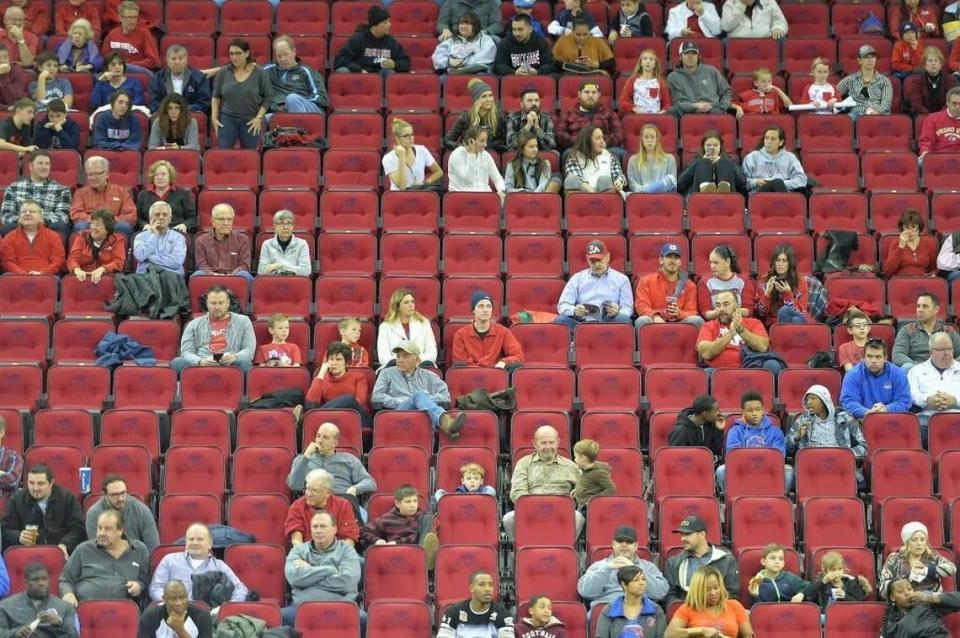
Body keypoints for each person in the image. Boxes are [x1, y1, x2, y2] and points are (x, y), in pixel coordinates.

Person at [281, 511, 361, 627]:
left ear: (334, 529)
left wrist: (309, 573)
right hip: (302, 607)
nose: (318, 530)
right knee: (281, 616)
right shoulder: (298, 550)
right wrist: (331, 570)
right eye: (315, 526)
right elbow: (294, 579)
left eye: (323, 526)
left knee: (364, 619)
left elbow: (348, 582)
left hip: (342, 606)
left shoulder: (347, 550)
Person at [372, 341, 466, 438]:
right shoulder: (386, 373)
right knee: (418, 397)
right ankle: (446, 423)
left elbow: (445, 397)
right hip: (398, 413)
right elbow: (376, 396)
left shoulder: (430, 376)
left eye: (405, 356)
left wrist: (421, 401)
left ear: (417, 360)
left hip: (424, 416)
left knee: (421, 401)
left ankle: (430, 448)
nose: (400, 360)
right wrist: (409, 400)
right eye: (398, 357)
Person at [503, 425, 583, 539]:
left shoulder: (571, 466)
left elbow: (582, 491)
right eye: (543, 443)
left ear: (558, 442)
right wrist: (535, 507)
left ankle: (565, 550)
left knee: (578, 517)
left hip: (562, 513)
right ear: (535, 443)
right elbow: (517, 492)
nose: (548, 446)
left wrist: (578, 493)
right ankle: (521, 551)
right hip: (531, 511)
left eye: (551, 442)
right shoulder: (524, 463)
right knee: (509, 519)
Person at [59, 510, 150, 606]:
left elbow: (144, 581)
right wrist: (68, 594)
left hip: (123, 611)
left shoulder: (139, 550)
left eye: (107, 529)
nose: (101, 533)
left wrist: (138, 586)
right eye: (99, 528)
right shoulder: (83, 550)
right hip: (86, 610)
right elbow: (66, 580)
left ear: (120, 531)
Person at [286, 422, 377, 517]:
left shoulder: (349, 459)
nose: (320, 441)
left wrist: (354, 489)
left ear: (335, 443)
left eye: (325, 437)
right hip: (314, 505)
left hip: (342, 502)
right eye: (318, 436)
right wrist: (306, 456)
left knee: (360, 516)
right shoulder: (302, 459)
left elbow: (370, 483)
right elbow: (294, 485)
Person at [787, 384, 868, 485]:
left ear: (824, 400)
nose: (809, 402)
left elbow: (864, 447)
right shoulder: (804, 419)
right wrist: (796, 437)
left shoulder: (845, 418)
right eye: (807, 399)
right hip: (812, 468)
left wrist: (844, 455)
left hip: (840, 467)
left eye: (813, 398)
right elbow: (787, 447)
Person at [148, 523, 248, 605]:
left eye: (200, 539)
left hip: (207, 617)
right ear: (186, 543)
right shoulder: (169, 560)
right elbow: (155, 588)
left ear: (210, 544)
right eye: (191, 539)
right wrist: (170, 601)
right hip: (173, 612)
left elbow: (240, 589)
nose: (195, 543)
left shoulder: (219, 566)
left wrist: (225, 607)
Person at [715, 390, 793, 492]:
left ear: (763, 410)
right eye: (750, 410)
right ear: (743, 412)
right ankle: (731, 499)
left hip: (768, 469)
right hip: (744, 469)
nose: (754, 413)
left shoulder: (775, 431)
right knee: (721, 470)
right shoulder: (735, 431)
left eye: (757, 409)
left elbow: (779, 455)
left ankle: (779, 499)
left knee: (788, 471)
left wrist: (762, 464)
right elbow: (733, 454)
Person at [579, 525, 669, 608]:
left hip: (640, 611)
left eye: (629, 542)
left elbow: (661, 593)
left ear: (636, 546)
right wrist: (606, 569)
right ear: (614, 544)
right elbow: (585, 592)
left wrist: (635, 569)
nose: (624, 545)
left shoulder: (648, 567)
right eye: (620, 541)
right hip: (607, 610)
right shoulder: (600, 566)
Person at [171, 285, 256, 374]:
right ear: (207, 304)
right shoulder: (193, 324)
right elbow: (186, 352)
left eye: (221, 303)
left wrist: (235, 356)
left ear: (228, 303)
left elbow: (249, 350)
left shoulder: (244, 321)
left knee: (245, 363)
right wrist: (200, 361)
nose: (217, 307)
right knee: (177, 363)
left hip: (231, 362)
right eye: (213, 303)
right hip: (203, 361)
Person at [555, 239, 634, 331]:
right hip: (582, 322)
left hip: (610, 321)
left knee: (623, 319)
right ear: (587, 259)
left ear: (607, 257)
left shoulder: (622, 279)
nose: (597, 264)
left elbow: (628, 308)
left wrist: (618, 311)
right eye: (593, 261)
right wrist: (574, 310)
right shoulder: (577, 278)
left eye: (599, 260)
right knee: (560, 320)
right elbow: (562, 305)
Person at [697, 290, 780, 373]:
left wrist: (741, 330)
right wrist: (730, 334)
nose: (721, 309)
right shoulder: (708, 326)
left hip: (751, 368)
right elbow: (705, 353)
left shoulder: (754, 323)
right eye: (718, 305)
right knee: (706, 373)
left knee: (772, 365)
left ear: (736, 307)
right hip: (718, 371)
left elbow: (762, 347)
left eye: (726, 304)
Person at [211, 38, 272, 150]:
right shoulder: (223, 72)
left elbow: (268, 96)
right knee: (224, 154)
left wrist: (259, 117)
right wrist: (214, 117)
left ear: (247, 53)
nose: (234, 57)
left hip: (251, 119)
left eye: (238, 53)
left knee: (250, 155)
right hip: (227, 119)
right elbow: (216, 97)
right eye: (231, 54)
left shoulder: (260, 72)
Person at [360, 484, 438, 569]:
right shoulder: (387, 519)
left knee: (428, 521)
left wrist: (397, 542)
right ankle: (424, 558)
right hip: (396, 555)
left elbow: (422, 537)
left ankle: (424, 558)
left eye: (415, 501)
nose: (413, 505)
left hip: (416, 549)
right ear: (397, 503)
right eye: (408, 502)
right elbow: (364, 531)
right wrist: (377, 540)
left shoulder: (423, 517)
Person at [664, 521, 739, 607]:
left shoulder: (726, 559)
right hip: (687, 612)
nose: (682, 539)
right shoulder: (673, 562)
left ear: (702, 534)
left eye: (687, 534)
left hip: (717, 613)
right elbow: (670, 596)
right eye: (682, 535)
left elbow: (733, 594)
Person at [665, 566, 752, 637]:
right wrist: (702, 631)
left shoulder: (734, 605)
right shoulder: (687, 608)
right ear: (698, 590)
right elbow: (669, 634)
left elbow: (748, 636)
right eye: (707, 589)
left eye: (716, 587)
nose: (713, 593)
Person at [0, 149, 70, 236]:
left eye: (47, 164)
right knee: (7, 228)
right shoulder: (13, 187)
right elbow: (6, 215)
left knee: (60, 227)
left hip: (47, 228)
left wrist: (39, 221)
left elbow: (63, 217)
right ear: (30, 166)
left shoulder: (62, 189)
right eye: (40, 163)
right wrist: (24, 221)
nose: (44, 167)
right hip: (20, 228)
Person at [284, 469, 360, 548]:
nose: (309, 494)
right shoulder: (297, 506)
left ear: (328, 493)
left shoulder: (343, 505)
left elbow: (349, 538)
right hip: (307, 551)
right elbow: (296, 541)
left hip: (338, 552)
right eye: (307, 489)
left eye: (314, 490)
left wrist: (337, 556)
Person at [880, 521, 957, 598]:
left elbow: (952, 568)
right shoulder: (894, 558)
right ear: (906, 542)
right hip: (906, 601)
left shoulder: (933, 556)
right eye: (914, 540)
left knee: (955, 599)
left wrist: (926, 571)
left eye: (922, 539)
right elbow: (882, 590)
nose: (919, 543)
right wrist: (908, 577)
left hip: (930, 601)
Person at [909, 332, 960, 446]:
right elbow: (911, 394)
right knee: (913, 426)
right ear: (931, 351)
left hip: (957, 417)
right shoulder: (916, 371)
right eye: (942, 349)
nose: (947, 353)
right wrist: (927, 400)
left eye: (949, 349)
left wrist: (955, 401)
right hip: (927, 418)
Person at [840, 339, 913, 419]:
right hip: (861, 421)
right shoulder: (852, 374)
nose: (873, 361)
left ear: (885, 358)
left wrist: (886, 409)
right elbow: (848, 401)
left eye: (878, 357)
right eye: (869, 356)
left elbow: (904, 401)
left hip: (892, 419)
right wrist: (866, 412)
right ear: (863, 357)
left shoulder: (898, 374)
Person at [451, 291, 524, 369]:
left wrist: (503, 362)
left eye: (489, 306)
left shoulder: (503, 332)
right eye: (481, 306)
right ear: (473, 310)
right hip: (471, 375)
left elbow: (518, 355)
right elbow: (459, 363)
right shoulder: (461, 334)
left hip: (496, 373)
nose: (485, 310)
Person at [84, 474, 158, 552]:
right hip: (106, 560)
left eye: (123, 493)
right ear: (104, 495)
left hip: (137, 560)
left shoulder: (142, 510)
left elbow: (152, 547)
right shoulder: (94, 514)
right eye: (114, 495)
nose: (120, 498)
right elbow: (97, 549)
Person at [634, 242, 701, 327]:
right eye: (669, 257)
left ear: (680, 262)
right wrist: (655, 316)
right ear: (661, 260)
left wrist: (680, 313)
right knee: (642, 320)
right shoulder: (645, 281)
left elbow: (692, 311)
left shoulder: (689, 285)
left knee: (697, 320)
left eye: (676, 258)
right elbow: (642, 306)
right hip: (654, 320)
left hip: (680, 321)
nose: (672, 261)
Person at [305, 342, 371, 425]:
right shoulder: (322, 379)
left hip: (357, 418)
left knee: (348, 399)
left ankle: (312, 417)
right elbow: (311, 403)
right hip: (331, 419)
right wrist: (321, 374)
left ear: (347, 363)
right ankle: (315, 417)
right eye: (331, 359)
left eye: (338, 359)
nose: (334, 363)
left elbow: (359, 401)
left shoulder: (359, 377)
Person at [0, 564, 73, 637]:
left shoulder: (65, 607)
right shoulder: (5, 606)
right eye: (35, 579)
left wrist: (59, 623)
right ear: (26, 582)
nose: (41, 583)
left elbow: (73, 635)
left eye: (44, 579)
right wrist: (15, 633)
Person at [333, 6, 410, 75]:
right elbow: (340, 59)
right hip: (359, 74)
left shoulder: (391, 42)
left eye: (389, 21)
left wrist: (394, 64)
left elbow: (405, 62)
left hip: (380, 76)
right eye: (385, 22)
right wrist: (359, 70)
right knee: (342, 71)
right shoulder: (358, 39)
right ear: (374, 25)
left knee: (390, 72)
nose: (389, 25)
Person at [70, 155, 137, 235]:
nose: (93, 178)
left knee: (124, 226)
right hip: (90, 223)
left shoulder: (122, 192)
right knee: (81, 226)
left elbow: (130, 215)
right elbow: (76, 214)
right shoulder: (80, 193)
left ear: (107, 173)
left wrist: (108, 221)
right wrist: (96, 221)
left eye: (97, 173)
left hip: (114, 224)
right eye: (90, 174)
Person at [892, 293, 960, 370]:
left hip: (945, 369)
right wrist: (920, 367)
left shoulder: (948, 331)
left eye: (925, 306)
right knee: (907, 367)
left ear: (936, 309)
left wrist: (950, 365)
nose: (920, 310)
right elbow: (898, 355)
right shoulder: (907, 330)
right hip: (918, 370)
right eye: (918, 306)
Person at [264, 35, 328, 115]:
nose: (283, 59)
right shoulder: (268, 71)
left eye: (286, 54)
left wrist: (293, 103)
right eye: (279, 56)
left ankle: (299, 126)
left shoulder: (306, 71)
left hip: (309, 109)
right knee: (266, 118)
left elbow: (321, 97)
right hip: (279, 110)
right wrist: (274, 107)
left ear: (293, 52)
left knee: (292, 99)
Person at [595, 566, 666, 638]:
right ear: (624, 585)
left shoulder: (656, 610)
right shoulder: (609, 611)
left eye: (643, 579)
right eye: (636, 580)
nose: (642, 583)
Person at [438, 571, 513, 638]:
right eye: (482, 584)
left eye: (490, 585)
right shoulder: (453, 612)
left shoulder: (503, 615)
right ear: (471, 588)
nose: (487, 589)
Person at [557, 79, 624, 155]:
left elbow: (618, 135)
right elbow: (561, 135)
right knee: (568, 153)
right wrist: (584, 143)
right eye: (587, 92)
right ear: (579, 94)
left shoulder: (609, 113)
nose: (590, 95)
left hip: (605, 147)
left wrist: (599, 143)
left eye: (594, 92)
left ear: (599, 95)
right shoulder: (568, 114)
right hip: (578, 148)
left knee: (618, 152)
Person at [0, 199, 66, 275]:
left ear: (41, 217)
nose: (27, 214)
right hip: (17, 277)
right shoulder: (9, 237)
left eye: (32, 212)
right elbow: (7, 262)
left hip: (47, 277)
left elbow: (58, 260)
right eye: (24, 212)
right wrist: (23, 274)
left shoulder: (53, 236)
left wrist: (42, 273)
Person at [377, 287, 438, 368]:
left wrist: (414, 361)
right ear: (397, 306)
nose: (411, 305)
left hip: (421, 366)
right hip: (396, 368)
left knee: (428, 365)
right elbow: (383, 356)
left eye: (412, 302)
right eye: (406, 302)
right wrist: (403, 362)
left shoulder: (424, 323)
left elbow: (432, 352)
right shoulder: (385, 327)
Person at [192, 203, 253, 284]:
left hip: (235, 277)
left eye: (229, 219)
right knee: (197, 275)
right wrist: (212, 274)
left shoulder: (243, 239)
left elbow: (244, 265)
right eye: (221, 219)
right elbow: (201, 265)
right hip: (210, 276)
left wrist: (232, 275)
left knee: (245, 275)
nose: (226, 223)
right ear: (213, 221)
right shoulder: (201, 240)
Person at [667, 41, 731, 116]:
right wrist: (695, 105)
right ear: (680, 57)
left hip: (712, 110)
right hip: (687, 113)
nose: (690, 56)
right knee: (673, 111)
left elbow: (727, 92)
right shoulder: (673, 77)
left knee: (717, 113)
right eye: (686, 53)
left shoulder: (712, 71)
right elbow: (678, 102)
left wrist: (722, 108)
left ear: (698, 56)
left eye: (694, 53)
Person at [444, 78, 507, 152]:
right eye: (484, 96)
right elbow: (447, 140)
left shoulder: (499, 116)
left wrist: (493, 146)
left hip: (489, 156)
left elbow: (505, 141)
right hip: (468, 155)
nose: (488, 99)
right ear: (476, 100)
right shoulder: (466, 117)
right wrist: (465, 147)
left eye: (490, 95)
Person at [677, 130, 746, 195]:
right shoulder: (696, 160)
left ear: (720, 146)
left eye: (715, 145)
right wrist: (699, 162)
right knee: (703, 162)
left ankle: (724, 188)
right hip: (699, 195)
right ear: (703, 146)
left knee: (723, 162)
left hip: (727, 196)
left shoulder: (729, 160)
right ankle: (705, 188)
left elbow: (743, 182)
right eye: (708, 145)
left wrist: (723, 162)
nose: (712, 148)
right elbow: (680, 182)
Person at [382, 118, 443, 192]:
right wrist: (402, 158)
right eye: (406, 136)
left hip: (420, 193)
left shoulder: (422, 150)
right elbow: (402, 187)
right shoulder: (388, 158)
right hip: (399, 196)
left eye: (412, 134)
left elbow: (439, 171)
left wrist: (427, 183)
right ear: (397, 139)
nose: (410, 138)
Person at [755, 243, 809, 326]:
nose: (780, 264)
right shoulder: (764, 281)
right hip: (775, 325)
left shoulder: (801, 282)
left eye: (784, 261)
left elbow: (801, 312)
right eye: (778, 260)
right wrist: (767, 294)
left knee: (787, 313)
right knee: (794, 319)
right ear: (774, 262)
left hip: (799, 320)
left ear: (790, 263)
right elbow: (761, 313)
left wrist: (788, 294)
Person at [883, 578, 960, 637]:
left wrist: (928, 598)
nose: (907, 593)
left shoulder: (925, 602)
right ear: (892, 597)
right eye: (900, 591)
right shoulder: (890, 621)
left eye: (909, 589)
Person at [447, 125, 506, 200]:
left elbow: (497, 179)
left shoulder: (486, 155)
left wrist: (502, 191)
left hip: (484, 196)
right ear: (471, 141)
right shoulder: (457, 155)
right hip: (462, 197)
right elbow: (467, 179)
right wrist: (471, 153)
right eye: (482, 141)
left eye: (485, 140)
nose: (486, 145)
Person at [563, 126, 627, 195]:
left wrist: (619, 181)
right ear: (587, 141)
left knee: (604, 180)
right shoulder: (574, 158)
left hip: (606, 195)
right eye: (598, 138)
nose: (602, 141)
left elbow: (619, 175)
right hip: (583, 195)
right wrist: (593, 193)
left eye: (602, 137)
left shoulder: (610, 156)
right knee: (571, 179)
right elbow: (576, 178)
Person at [697, 244, 755, 319]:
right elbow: (706, 313)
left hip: (739, 322)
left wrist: (728, 311)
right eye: (710, 262)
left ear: (727, 262)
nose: (712, 266)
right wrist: (724, 311)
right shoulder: (705, 283)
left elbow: (748, 311)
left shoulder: (744, 281)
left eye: (716, 263)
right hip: (715, 324)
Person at [136, 160, 196, 233]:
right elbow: (137, 218)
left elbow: (192, 218)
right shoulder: (143, 195)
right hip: (150, 231)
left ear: (170, 176)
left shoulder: (183, 194)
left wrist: (185, 225)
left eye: (163, 174)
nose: (160, 177)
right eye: (156, 175)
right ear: (152, 177)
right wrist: (144, 225)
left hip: (176, 231)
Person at [148, 44, 211, 113]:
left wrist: (183, 109)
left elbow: (204, 102)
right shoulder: (158, 78)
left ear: (186, 59)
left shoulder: (199, 77)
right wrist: (168, 110)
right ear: (167, 60)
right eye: (173, 59)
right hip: (165, 115)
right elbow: (155, 102)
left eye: (180, 58)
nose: (177, 62)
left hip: (189, 113)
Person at [742, 126, 805, 195]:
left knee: (777, 183)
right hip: (759, 194)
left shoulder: (790, 158)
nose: (769, 142)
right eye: (766, 138)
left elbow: (801, 180)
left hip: (783, 191)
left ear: (781, 142)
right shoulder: (752, 157)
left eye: (773, 139)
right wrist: (756, 182)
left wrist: (782, 184)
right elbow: (742, 182)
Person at [138, 580, 213, 638]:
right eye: (173, 599)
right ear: (164, 599)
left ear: (187, 597)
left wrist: (180, 631)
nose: (178, 603)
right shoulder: (150, 617)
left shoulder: (202, 617)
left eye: (182, 597)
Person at [99, 0, 159, 73]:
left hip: (138, 70)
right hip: (116, 70)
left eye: (134, 17)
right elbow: (104, 58)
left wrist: (129, 65)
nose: (132, 21)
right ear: (120, 18)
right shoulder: (112, 34)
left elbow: (153, 60)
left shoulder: (144, 34)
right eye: (129, 17)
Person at [431, 11, 497, 75]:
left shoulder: (486, 40)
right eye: (461, 24)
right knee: (442, 78)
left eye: (467, 24)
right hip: (453, 71)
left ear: (475, 26)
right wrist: (449, 62)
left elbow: (486, 56)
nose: (463, 26)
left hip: (477, 72)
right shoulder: (451, 41)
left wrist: (464, 62)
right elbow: (437, 56)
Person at [837, 45, 893, 119]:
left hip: (879, 112)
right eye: (866, 57)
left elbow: (887, 102)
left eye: (872, 57)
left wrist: (878, 111)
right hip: (857, 113)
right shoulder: (850, 79)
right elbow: (835, 92)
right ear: (859, 60)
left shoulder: (884, 80)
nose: (870, 60)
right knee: (847, 120)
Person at [804, 551, 871, 613]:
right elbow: (808, 593)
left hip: (848, 615)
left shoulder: (850, 582)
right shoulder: (823, 583)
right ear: (826, 571)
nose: (837, 573)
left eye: (840, 569)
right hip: (827, 617)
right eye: (833, 570)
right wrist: (823, 581)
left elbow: (859, 603)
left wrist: (845, 596)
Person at [133, 201, 186, 274]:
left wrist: (149, 258)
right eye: (157, 214)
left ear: (170, 219)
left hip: (171, 279)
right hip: (147, 278)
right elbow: (140, 256)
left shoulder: (179, 238)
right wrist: (154, 235)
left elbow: (177, 262)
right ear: (150, 218)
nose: (161, 217)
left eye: (165, 215)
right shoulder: (140, 237)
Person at [668, 394, 725, 459]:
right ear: (705, 414)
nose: (719, 413)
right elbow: (675, 458)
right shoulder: (681, 432)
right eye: (716, 410)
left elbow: (716, 452)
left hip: (709, 465)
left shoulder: (711, 423)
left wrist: (719, 430)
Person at [883, 209, 938, 276]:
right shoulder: (895, 244)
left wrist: (933, 274)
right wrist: (900, 247)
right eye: (906, 227)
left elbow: (934, 268)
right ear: (902, 228)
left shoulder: (928, 244)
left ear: (919, 228)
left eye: (913, 227)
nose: (910, 231)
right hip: (901, 281)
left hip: (923, 281)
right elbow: (888, 270)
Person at [552, 18, 616, 76]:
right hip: (569, 75)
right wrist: (573, 65)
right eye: (578, 34)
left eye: (585, 34)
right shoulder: (563, 40)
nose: (582, 38)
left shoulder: (598, 42)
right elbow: (553, 63)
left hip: (593, 75)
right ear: (572, 31)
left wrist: (595, 64)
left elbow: (612, 63)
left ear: (589, 32)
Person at [627, 121, 678, 193]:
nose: (649, 140)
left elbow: (672, 183)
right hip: (641, 197)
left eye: (652, 137)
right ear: (642, 140)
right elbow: (633, 186)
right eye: (646, 137)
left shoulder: (670, 159)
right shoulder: (633, 160)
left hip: (663, 198)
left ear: (657, 139)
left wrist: (653, 189)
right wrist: (648, 191)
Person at [257, 209, 310, 276]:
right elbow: (261, 271)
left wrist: (281, 266)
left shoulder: (302, 244)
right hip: (273, 281)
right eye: (281, 223)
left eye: (289, 223)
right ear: (275, 226)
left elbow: (306, 271)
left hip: (294, 281)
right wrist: (292, 270)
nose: (285, 227)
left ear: (293, 226)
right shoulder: (267, 244)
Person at [904, 47, 957, 115]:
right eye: (930, 61)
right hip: (924, 116)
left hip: (944, 116)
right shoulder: (916, 81)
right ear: (925, 65)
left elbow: (950, 102)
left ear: (940, 64)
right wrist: (930, 116)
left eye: (936, 60)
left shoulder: (950, 80)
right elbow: (916, 104)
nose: (933, 63)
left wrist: (938, 116)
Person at [619, 50, 671, 115]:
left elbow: (667, 104)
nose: (648, 61)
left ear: (655, 64)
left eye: (651, 59)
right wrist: (634, 109)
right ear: (641, 63)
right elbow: (623, 101)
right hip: (638, 117)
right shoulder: (632, 80)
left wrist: (662, 112)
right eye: (645, 59)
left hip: (656, 117)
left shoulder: (660, 82)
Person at [571, 439, 616, 510]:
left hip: (589, 509)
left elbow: (611, 489)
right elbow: (587, 485)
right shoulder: (584, 470)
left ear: (583, 458)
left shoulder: (598, 473)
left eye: (575, 456)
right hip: (580, 505)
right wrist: (576, 491)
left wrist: (594, 501)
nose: (574, 459)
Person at [918, 86, 960, 159]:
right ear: (947, 103)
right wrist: (925, 152)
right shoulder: (932, 119)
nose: (957, 107)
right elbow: (926, 141)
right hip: (938, 158)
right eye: (954, 103)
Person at [437, 0, 502, 41]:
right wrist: (444, 29)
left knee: (496, 40)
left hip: (482, 35)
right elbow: (442, 23)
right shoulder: (450, 2)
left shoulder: (492, 3)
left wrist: (483, 32)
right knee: (443, 39)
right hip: (457, 35)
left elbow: (497, 24)